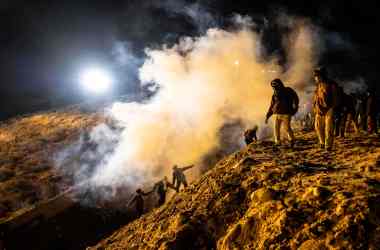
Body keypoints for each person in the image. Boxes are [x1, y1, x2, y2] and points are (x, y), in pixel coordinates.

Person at [265, 78, 299, 147]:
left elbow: (296, 98)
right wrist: (268, 116)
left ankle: (291, 140)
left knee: (287, 128)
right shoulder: (275, 94)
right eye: (272, 86)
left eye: (275, 85)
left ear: (279, 84)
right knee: (276, 128)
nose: (274, 87)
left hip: (286, 114)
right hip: (277, 114)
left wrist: (295, 108)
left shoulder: (288, 90)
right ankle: (278, 142)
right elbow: (272, 105)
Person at [312, 67, 340, 150]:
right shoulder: (318, 85)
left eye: (316, 76)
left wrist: (334, 108)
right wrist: (315, 108)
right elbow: (316, 98)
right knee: (318, 127)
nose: (315, 78)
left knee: (329, 128)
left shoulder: (331, 84)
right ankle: (322, 142)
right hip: (319, 110)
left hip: (329, 109)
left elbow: (336, 98)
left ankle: (328, 145)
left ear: (322, 76)